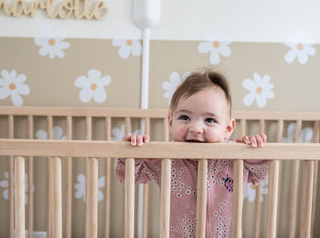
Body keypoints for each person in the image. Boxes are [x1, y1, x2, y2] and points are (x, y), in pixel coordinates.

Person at [114, 69, 268, 238]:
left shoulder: (235, 158)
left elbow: (261, 173)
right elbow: (126, 176)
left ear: (228, 129)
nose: (195, 128)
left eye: (210, 120)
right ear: (171, 123)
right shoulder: (164, 159)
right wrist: (133, 153)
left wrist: (253, 150)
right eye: (185, 117)